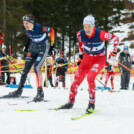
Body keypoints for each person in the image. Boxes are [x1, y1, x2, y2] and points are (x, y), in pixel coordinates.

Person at [57, 15, 119, 113]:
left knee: (90, 78)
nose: (86, 29)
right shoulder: (80, 34)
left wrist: (114, 52)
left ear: (93, 26)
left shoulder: (101, 34)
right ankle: (70, 102)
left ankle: (91, 103)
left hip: (99, 59)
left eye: (89, 26)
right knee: (76, 80)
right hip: (87, 58)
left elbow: (116, 38)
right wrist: (81, 56)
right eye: (85, 26)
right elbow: (80, 43)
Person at [4, 14, 55, 101]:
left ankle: (40, 93)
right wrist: (27, 45)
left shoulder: (40, 28)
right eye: (24, 23)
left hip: (43, 47)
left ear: (32, 23)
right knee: (25, 70)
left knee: (37, 67)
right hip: (33, 46)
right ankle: (19, 90)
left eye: (27, 23)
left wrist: (52, 46)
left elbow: (52, 31)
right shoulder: (25, 27)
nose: (25, 25)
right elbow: (29, 34)